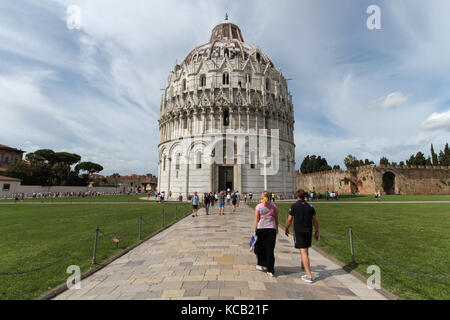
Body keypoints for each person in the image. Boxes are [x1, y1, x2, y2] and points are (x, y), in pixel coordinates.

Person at [285, 189, 320, 283]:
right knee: (305, 250)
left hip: (299, 231)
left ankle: (309, 276)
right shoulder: (310, 206)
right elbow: (315, 220)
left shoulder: (294, 206)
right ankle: (303, 265)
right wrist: (317, 231)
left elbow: (289, 220)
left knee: (303, 252)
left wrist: (286, 228)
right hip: (308, 230)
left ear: (297, 196)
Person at [253, 191, 279, 277]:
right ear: (270, 197)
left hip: (261, 229)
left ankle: (261, 263)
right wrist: (277, 229)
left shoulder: (259, 206)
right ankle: (270, 270)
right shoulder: (274, 206)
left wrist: (254, 230)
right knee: (270, 249)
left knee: (260, 248)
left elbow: (256, 220)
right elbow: (276, 219)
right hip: (271, 230)